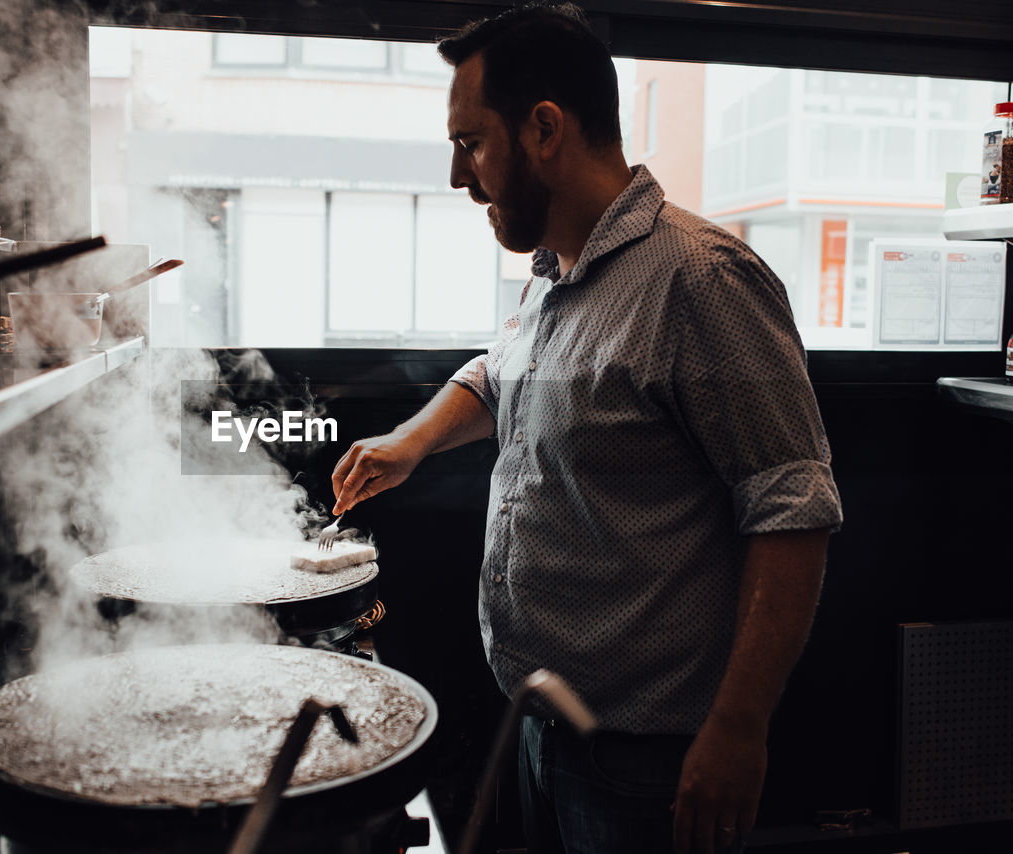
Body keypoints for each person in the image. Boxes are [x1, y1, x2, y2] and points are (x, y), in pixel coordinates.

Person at [328, 4, 843, 854]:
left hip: (650, 758)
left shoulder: (701, 282)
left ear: (542, 130)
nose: (461, 177)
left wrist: (739, 730)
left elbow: (794, 509)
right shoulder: (554, 272)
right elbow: (501, 372)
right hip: (540, 718)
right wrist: (411, 441)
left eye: (470, 143)